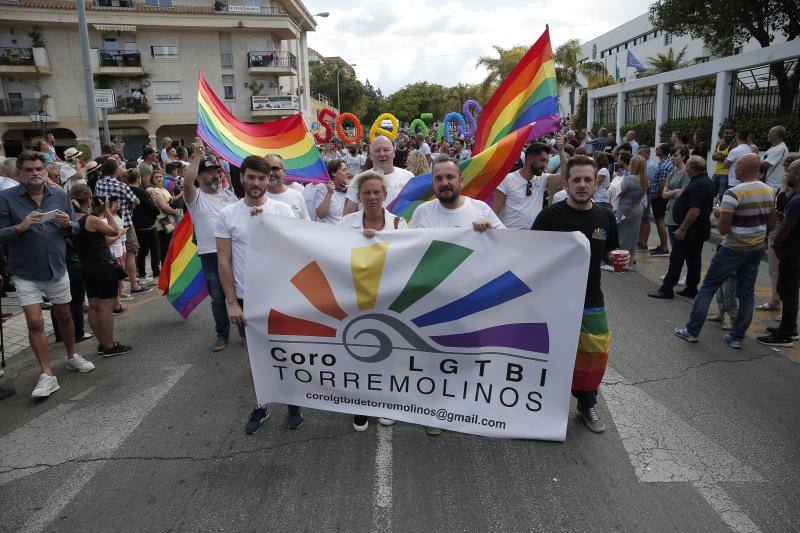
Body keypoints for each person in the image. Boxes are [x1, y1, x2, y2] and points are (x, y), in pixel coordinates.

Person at [532, 154, 627, 433]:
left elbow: (610, 253)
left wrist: (618, 259)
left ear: (596, 182)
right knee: (551, 355)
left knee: (592, 355)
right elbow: (529, 254)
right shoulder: (549, 216)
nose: (583, 185)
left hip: (591, 299)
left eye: (588, 179)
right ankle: (544, 407)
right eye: (577, 180)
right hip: (553, 302)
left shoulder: (605, 216)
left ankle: (587, 405)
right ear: (566, 183)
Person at [410, 155, 503, 435]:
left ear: (461, 180)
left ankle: (464, 407)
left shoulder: (481, 209)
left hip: (472, 301)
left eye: (450, 177)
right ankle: (436, 412)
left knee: (471, 357)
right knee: (434, 358)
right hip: (433, 301)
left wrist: (489, 233)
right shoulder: (422, 213)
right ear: (433, 184)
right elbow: (407, 252)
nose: (445, 183)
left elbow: (509, 245)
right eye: (439, 179)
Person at [215, 154, 302, 434]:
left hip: (279, 296)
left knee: (286, 353)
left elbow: (295, 252)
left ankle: (292, 402)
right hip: (245, 297)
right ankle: (262, 404)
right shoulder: (227, 214)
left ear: (270, 179)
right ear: (241, 178)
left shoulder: (283, 211)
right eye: (251, 177)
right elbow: (223, 261)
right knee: (255, 356)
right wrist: (231, 302)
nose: (256, 183)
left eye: (261, 178)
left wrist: (266, 224)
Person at [0, 152, 95, 398]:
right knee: (35, 321)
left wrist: (67, 224)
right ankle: (46, 373)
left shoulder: (60, 195)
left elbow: (75, 228)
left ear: (44, 171)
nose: (35, 173)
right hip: (25, 271)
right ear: (20, 173)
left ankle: (72, 355)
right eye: (29, 170)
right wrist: (20, 227)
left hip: (56, 266)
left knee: (64, 315)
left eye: (38, 169)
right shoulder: (6, 199)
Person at [675, 153, 776, 349]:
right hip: (755, 248)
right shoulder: (769, 191)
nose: (734, 169)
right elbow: (771, 223)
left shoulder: (734, 193)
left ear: (744, 169)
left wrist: (721, 214)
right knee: (746, 293)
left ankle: (692, 331)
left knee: (708, 287)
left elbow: (722, 229)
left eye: (737, 166)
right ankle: (737, 337)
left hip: (733, 247)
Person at [339, 170, 407, 431]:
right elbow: (331, 253)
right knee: (358, 353)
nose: (372, 197)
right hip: (356, 298)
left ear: (385, 195)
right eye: (366, 193)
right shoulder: (346, 224)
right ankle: (361, 404)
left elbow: (409, 260)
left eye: (377, 192)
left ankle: (386, 403)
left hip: (389, 300)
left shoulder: (400, 224)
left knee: (390, 354)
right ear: (359, 196)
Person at [184, 147, 238, 351]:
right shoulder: (195, 197)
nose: (215, 174)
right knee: (218, 297)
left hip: (234, 253)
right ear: (200, 176)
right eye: (210, 172)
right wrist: (197, 155)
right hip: (210, 255)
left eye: (216, 171)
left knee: (239, 293)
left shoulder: (228, 195)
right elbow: (187, 182)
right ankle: (222, 334)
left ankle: (243, 332)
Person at [70, 185, 132, 356]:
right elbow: (114, 230)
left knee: (94, 305)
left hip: (85, 265)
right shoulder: (90, 220)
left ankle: (102, 343)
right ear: (89, 199)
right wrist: (106, 209)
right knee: (106, 306)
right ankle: (110, 345)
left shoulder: (69, 221)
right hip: (102, 265)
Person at [648, 156, 715, 299]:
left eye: (688, 167)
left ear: (692, 168)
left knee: (677, 258)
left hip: (691, 230)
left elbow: (695, 209)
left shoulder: (699, 184)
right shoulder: (705, 181)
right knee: (693, 259)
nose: (686, 170)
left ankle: (667, 288)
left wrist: (683, 228)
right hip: (698, 228)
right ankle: (691, 288)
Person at [757, 159, 799, 346]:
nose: (786, 174)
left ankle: (786, 333)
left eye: (789, 171)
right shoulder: (794, 195)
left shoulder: (797, 200)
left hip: (793, 250)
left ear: (797, 175)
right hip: (793, 249)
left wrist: (776, 242)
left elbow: (786, 227)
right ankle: (788, 327)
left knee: (787, 291)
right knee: (787, 289)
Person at [94, 158, 150, 295]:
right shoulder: (121, 185)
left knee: (113, 255)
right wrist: (130, 203)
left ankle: (118, 289)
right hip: (124, 222)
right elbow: (136, 200)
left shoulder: (98, 184)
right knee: (130, 253)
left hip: (105, 222)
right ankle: (134, 285)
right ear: (116, 170)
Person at [492, 142, 561, 229]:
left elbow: (565, 177)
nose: (545, 165)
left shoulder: (543, 179)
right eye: (542, 160)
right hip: (509, 237)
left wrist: (561, 151)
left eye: (547, 161)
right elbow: (495, 211)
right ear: (529, 159)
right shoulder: (508, 180)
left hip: (533, 237)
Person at [343, 136, 414, 216]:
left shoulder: (409, 177)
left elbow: (414, 210)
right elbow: (347, 217)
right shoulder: (358, 180)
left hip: (401, 227)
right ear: (371, 156)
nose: (382, 154)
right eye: (377, 150)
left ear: (394, 153)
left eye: (386, 150)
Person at [129, 169, 161, 283]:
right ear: (138, 179)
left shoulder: (128, 190)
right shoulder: (141, 192)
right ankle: (156, 275)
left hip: (136, 225)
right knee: (155, 250)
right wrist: (154, 204)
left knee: (142, 251)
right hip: (148, 225)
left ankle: (142, 275)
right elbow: (153, 208)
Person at [615, 155, 648, 266]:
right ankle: (629, 261)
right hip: (637, 208)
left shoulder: (630, 178)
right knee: (633, 236)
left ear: (634, 165)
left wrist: (616, 178)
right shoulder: (644, 180)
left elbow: (619, 191)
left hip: (625, 209)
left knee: (622, 235)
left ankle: (618, 263)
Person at [148, 169, 181, 264]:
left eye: (160, 176)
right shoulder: (156, 191)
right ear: (152, 180)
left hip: (168, 220)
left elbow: (170, 202)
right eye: (156, 177)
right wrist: (176, 212)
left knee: (168, 245)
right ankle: (164, 268)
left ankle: (166, 266)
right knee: (164, 247)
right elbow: (164, 208)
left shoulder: (163, 189)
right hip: (162, 222)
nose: (159, 179)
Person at [264, 155, 310, 219]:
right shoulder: (256, 198)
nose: (271, 173)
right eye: (266, 169)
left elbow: (306, 224)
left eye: (275, 169)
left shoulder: (297, 196)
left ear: (284, 172)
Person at [647, 143, 672, 256]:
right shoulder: (663, 163)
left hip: (659, 198)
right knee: (658, 221)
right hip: (658, 197)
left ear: (662, 151)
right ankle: (662, 245)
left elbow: (662, 185)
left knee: (660, 221)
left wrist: (656, 196)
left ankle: (664, 247)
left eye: (657, 148)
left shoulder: (665, 166)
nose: (655, 149)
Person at [314, 159, 349, 225]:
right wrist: (329, 193)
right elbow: (320, 214)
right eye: (343, 170)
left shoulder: (346, 188)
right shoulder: (322, 188)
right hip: (327, 232)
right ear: (333, 173)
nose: (347, 172)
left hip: (342, 231)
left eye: (346, 169)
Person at [711, 126, 736, 200]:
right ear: (723, 133)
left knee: (722, 195)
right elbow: (713, 157)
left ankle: (722, 210)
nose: (729, 135)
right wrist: (721, 158)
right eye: (726, 133)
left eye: (731, 133)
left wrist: (719, 157)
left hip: (726, 174)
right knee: (711, 193)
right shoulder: (719, 142)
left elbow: (729, 160)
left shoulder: (734, 144)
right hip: (716, 172)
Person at [761, 126, 789, 192]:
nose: (767, 135)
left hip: (773, 186)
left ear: (774, 135)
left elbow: (764, 164)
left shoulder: (781, 149)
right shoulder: (774, 147)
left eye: (769, 133)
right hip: (767, 184)